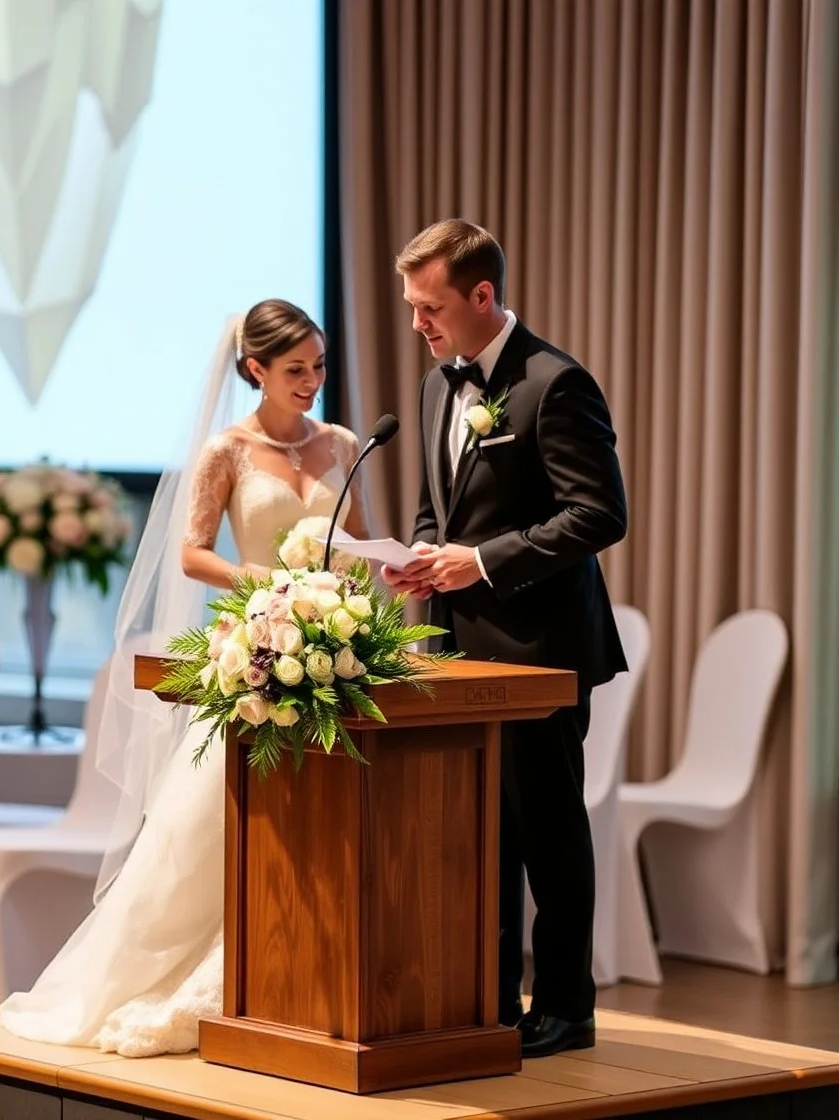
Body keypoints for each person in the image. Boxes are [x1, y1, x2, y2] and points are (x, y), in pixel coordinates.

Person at [0, 299, 369, 1057]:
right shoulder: (225, 452)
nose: (312, 382)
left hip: (326, 644)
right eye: (295, 369)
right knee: (203, 844)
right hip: (260, 649)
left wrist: (359, 575)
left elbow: (351, 542)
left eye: (320, 366)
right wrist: (259, 582)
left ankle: (294, 979)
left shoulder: (342, 443)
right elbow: (193, 551)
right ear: (254, 369)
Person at [383, 220, 627, 1058]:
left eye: (431, 306)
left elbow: (599, 515)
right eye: (412, 306)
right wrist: (421, 561)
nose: (418, 323)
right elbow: (438, 508)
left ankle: (565, 1006)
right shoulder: (434, 385)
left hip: (540, 649)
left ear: (481, 296)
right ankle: (487, 999)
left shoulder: (554, 384)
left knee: (548, 830)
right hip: (458, 647)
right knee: (478, 832)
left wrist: (480, 563)